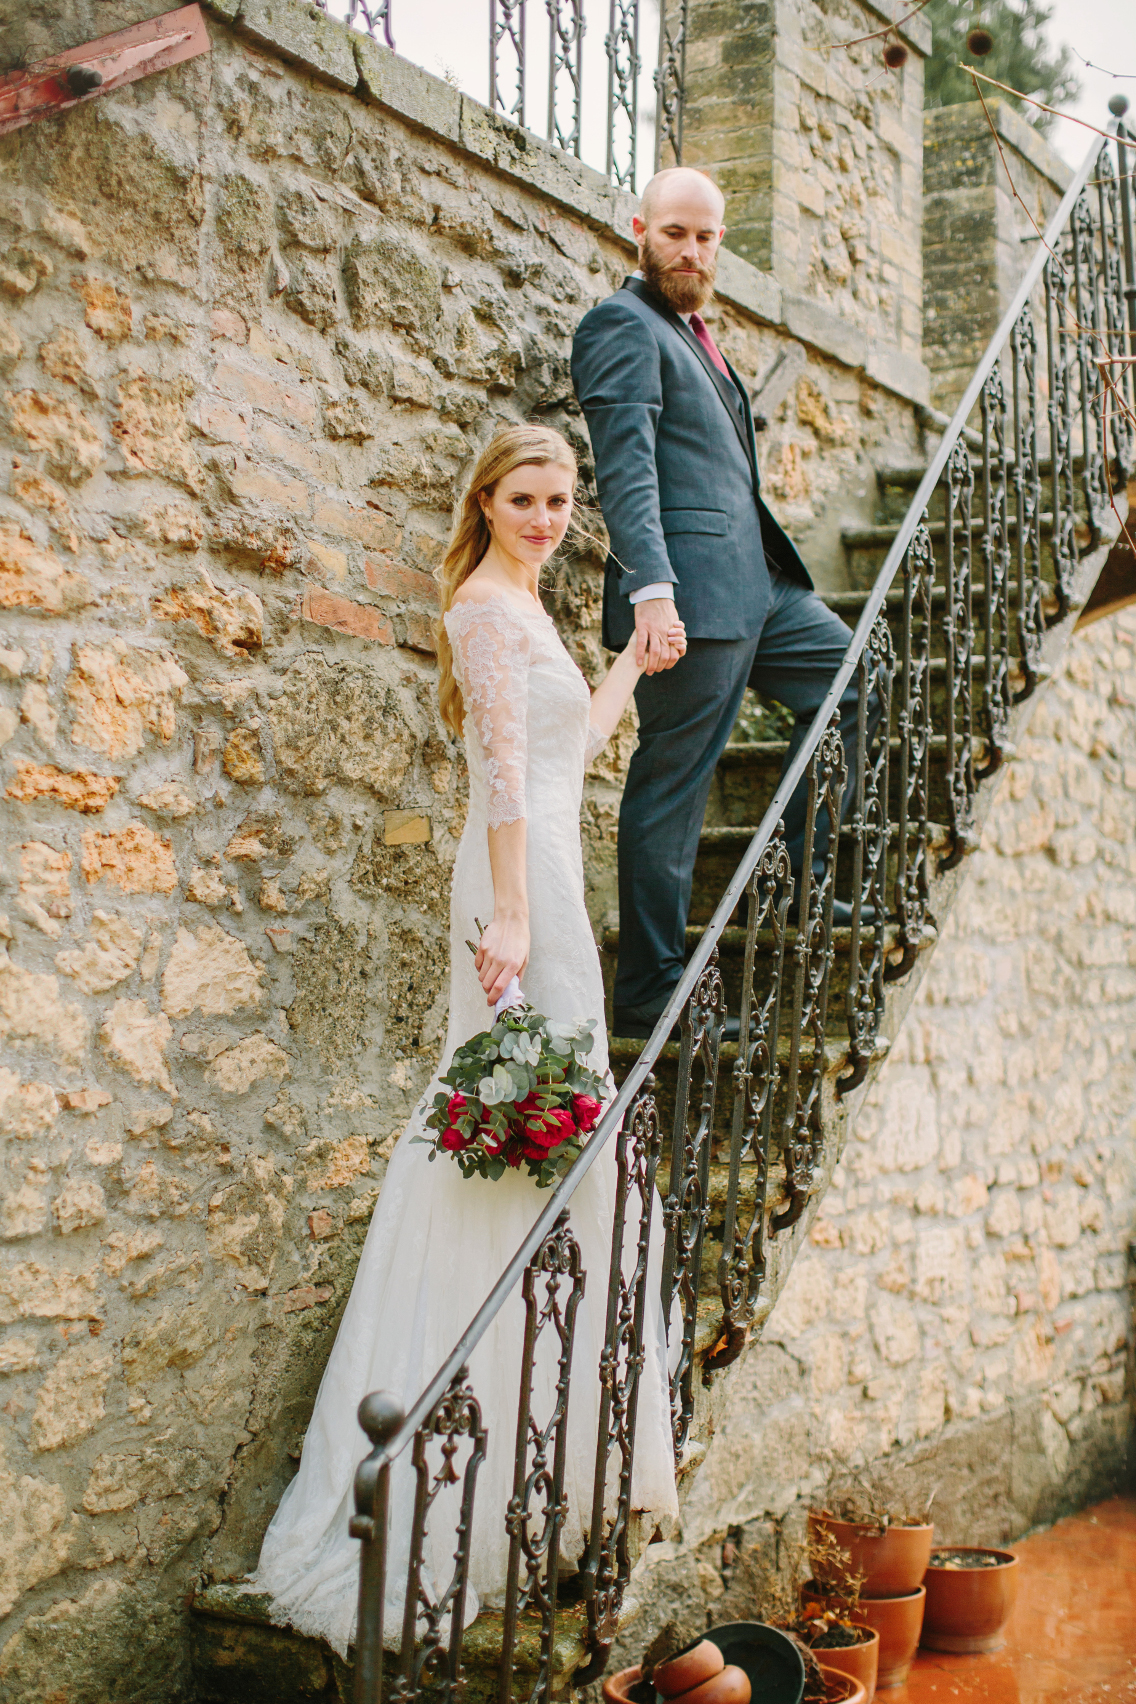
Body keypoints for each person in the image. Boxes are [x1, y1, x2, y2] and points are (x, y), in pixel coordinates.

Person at [246, 424, 684, 1656]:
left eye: (558, 501)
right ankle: (457, 1439)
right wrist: (507, 912)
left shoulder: (530, 608)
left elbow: (563, 756)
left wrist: (630, 670)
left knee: (554, 1123)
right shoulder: (485, 610)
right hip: (516, 885)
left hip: (542, 862)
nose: (546, 517)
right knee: (515, 1121)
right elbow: (501, 776)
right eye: (524, 498)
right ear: (483, 501)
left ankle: (527, 1450)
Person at [571, 166, 874, 1041]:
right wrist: (651, 596)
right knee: (675, 786)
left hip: (765, 591)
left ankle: (803, 886)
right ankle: (652, 994)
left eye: (706, 237)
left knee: (854, 683)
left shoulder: (697, 333)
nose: (692, 250)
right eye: (675, 233)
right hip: (688, 603)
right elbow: (626, 469)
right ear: (639, 229)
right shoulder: (621, 326)